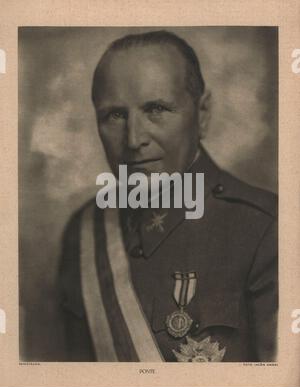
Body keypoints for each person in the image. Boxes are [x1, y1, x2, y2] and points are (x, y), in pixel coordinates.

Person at [58, 30, 278, 362]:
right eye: (114, 115)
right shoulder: (84, 233)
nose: (133, 139)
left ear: (202, 113)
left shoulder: (266, 229)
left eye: (156, 109)